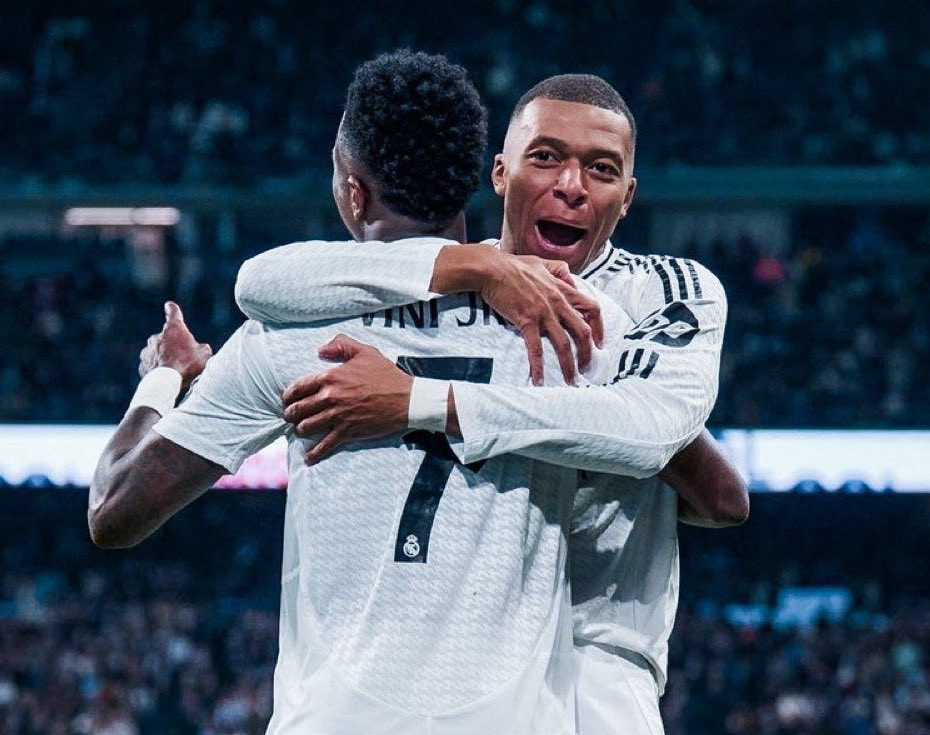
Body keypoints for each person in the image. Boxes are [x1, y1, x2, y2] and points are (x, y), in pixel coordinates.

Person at [89, 51, 656, 735]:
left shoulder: (289, 333)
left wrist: (162, 378)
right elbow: (705, 484)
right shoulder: (574, 324)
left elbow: (114, 509)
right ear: (478, 181)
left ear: (354, 193)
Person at [233, 73, 748, 734]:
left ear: (627, 196)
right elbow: (262, 281)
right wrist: (477, 268)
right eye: (546, 157)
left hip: (594, 659)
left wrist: (419, 401)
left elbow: (655, 433)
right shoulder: (446, 278)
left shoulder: (663, 289)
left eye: (601, 169)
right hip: (451, 649)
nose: (571, 185)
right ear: (501, 173)